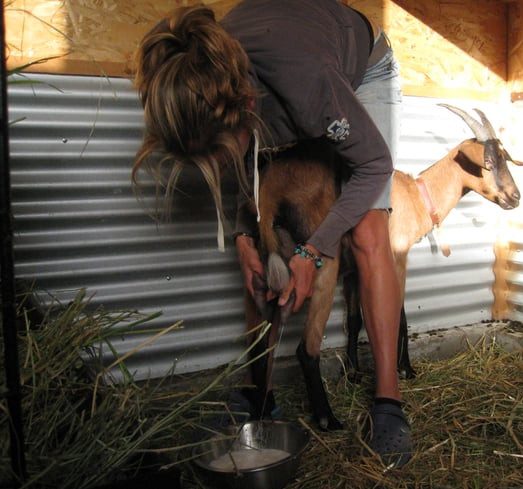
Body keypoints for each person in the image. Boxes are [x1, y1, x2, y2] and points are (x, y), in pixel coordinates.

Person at [132, 0, 412, 467]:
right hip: (290, 82)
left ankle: (389, 402)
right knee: (264, 249)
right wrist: (244, 238)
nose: (221, 168)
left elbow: (374, 165)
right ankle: (259, 393)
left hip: (360, 69)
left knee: (367, 228)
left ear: (245, 109)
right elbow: (239, 166)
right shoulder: (213, 89)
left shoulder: (307, 85)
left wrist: (313, 250)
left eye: (221, 156)